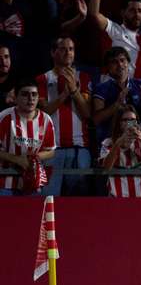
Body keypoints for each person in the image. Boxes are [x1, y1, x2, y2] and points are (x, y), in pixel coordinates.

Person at [36, 37, 92, 196]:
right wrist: (63, 96)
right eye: (63, 49)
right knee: (49, 200)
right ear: (53, 53)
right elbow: (43, 112)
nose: (68, 52)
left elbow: (87, 114)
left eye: (71, 49)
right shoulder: (42, 80)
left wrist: (74, 91)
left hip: (79, 149)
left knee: (79, 203)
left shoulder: (84, 78)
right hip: (51, 151)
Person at [0, 79, 55, 195]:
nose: (31, 98)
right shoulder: (4, 117)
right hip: (5, 182)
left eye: (34, 94)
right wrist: (17, 159)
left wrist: (33, 158)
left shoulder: (46, 120)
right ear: (16, 97)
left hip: (33, 182)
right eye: (25, 94)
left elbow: (50, 151)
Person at [91, 47, 141, 144]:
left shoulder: (140, 84)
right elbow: (96, 120)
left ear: (128, 63)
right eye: (114, 62)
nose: (119, 64)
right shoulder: (101, 88)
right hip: (111, 141)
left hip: (137, 141)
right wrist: (117, 104)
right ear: (108, 67)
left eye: (122, 60)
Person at [99, 104, 141, 197]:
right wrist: (118, 143)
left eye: (133, 120)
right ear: (119, 122)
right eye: (125, 120)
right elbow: (106, 168)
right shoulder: (108, 142)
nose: (129, 123)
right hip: (118, 196)